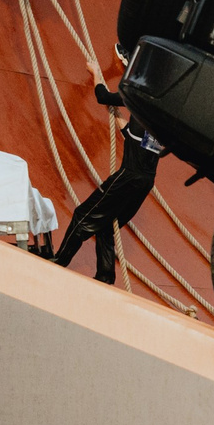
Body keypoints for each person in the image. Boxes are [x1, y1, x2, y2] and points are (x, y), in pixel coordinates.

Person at [49, 82, 167, 286]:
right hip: (146, 181)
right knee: (105, 226)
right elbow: (135, 138)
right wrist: (118, 116)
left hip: (128, 177)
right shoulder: (161, 114)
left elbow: (102, 96)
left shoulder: (137, 97)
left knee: (82, 216)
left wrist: (95, 74)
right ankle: (105, 277)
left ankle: (59, 260)